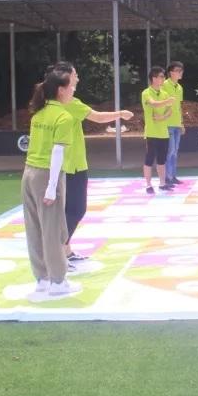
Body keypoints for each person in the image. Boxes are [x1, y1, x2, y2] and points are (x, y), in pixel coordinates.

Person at [49, 62, 133, 264]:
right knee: (76, 209)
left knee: (67, 210)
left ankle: (65, 250)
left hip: (64, 165)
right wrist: (120, 114)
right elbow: (97, 117)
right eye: (75, 74)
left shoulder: (50, 104)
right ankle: (58, 252)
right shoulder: (70, 103)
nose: (77, 78)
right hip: (72, 165)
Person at [21, 66, 81, 300]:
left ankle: (42, 278)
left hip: (29, 173)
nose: (74, 89)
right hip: (47, 175)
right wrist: (51, 187)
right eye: (71, 86)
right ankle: (58, 281)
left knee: (34, 228)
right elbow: (57, 153)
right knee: (53, 229)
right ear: (61, 90)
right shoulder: (63, 117)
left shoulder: (39, 113)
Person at [141, 66, 175, 195]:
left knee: (162, 160)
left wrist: (162, 117)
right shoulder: (146, 93)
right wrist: (167, 101)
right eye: (161, 76)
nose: (163, 79)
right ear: (153, 78)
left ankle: (162, 183)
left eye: (163, 76)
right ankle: (148, 185)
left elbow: (170, 110)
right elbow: (153, 103)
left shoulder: (164, 93)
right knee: (149, 159)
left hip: (163, 132)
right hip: (151, 132)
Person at [163, 61, 185, 187]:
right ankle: (167, 177)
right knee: (170, 151)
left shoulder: (180, 87)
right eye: (177, 70)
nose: (180, 73)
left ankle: (173, 176)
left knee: (175, 152)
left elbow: (179, 106)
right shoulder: (164, 85)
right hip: (168, 123)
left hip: (177, 123)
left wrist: (181, 123)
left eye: (181, 70)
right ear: (171, 72)